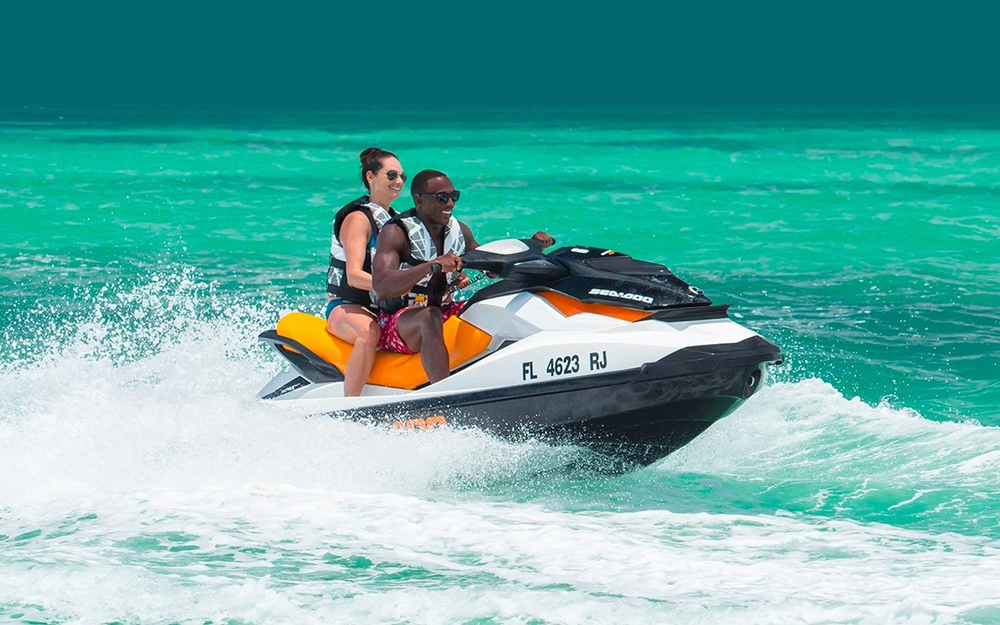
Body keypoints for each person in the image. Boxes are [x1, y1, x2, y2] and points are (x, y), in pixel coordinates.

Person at [371, 169, 554, 383]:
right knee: (430, 317)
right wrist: (432, 265)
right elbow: (382, 286)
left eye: (454, 196)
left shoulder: (459, 231)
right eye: (442, 198)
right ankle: (443, 396)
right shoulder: (396, 232)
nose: (450, 204)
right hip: (397, 322)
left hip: (444, 311)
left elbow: (491, 266)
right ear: (419, 199)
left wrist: (531, 245)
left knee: (499, 302)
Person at [325, 147, 404, 396]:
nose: (399, 181)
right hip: (345, 307)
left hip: (382, 305)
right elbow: (354, 276)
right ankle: (351, 405)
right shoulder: (358, 219)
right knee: (369, 332)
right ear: (371, 177)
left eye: (403, 176)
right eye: (391, 175)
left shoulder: (397, 220)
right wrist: (396, 285)